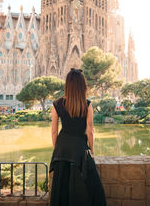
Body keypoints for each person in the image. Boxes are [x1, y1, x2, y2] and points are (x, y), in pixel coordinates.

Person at [50, 68, 107, 206]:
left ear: (67, 85)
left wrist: (58, 149)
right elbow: (90, 130)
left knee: (61, 190)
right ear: (83, 85)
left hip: (62, 149)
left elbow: (53, 132)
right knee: (91, 190)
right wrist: (92, 150)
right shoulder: (87, 104)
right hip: (80, 150)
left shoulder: (57, 104)